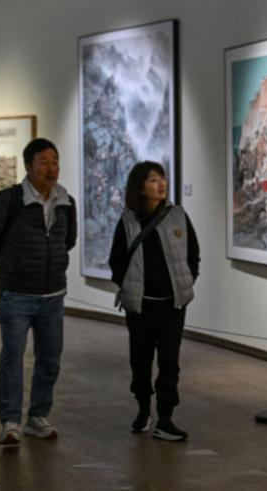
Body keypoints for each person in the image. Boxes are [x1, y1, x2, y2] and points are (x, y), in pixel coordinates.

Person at [0, 138, 77, 446]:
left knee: (50, 359)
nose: (51, 168)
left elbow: (68, 240)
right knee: (12, 358)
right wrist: (10, 265)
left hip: (53, 295)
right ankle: (10, 422)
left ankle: (37, 417)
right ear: (29, 166)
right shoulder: (7, 200)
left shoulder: (65, 201)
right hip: (16, 295)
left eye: (55, 161)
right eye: (44, 162)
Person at [108, 161, 199, 442]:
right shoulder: (127, 222)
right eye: (153, 180)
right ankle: (144, 408)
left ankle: (166, 418)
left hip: (172, 305)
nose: (161, 184)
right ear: (140, 187)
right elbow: (116, 261)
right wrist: (129, 287)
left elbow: (192, 254)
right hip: (141, 306)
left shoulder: (178, 215)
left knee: (170, 363)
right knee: (141, 360)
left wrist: (186, 282)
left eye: (162, 178)